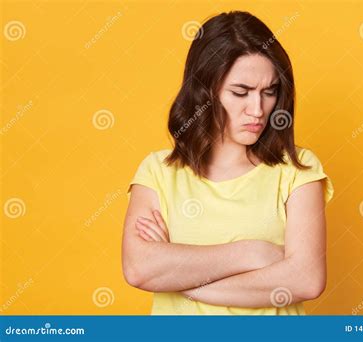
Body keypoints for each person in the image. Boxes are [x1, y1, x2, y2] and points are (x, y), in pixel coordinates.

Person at [122, 10, 334, 315]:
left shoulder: (298, 169)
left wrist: (182, 280)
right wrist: (251, 252)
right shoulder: (158, 172)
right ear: (203, 93)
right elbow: (140, 269)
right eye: (240, 92)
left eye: (269, 92)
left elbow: (306, 280)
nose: (258, 109)